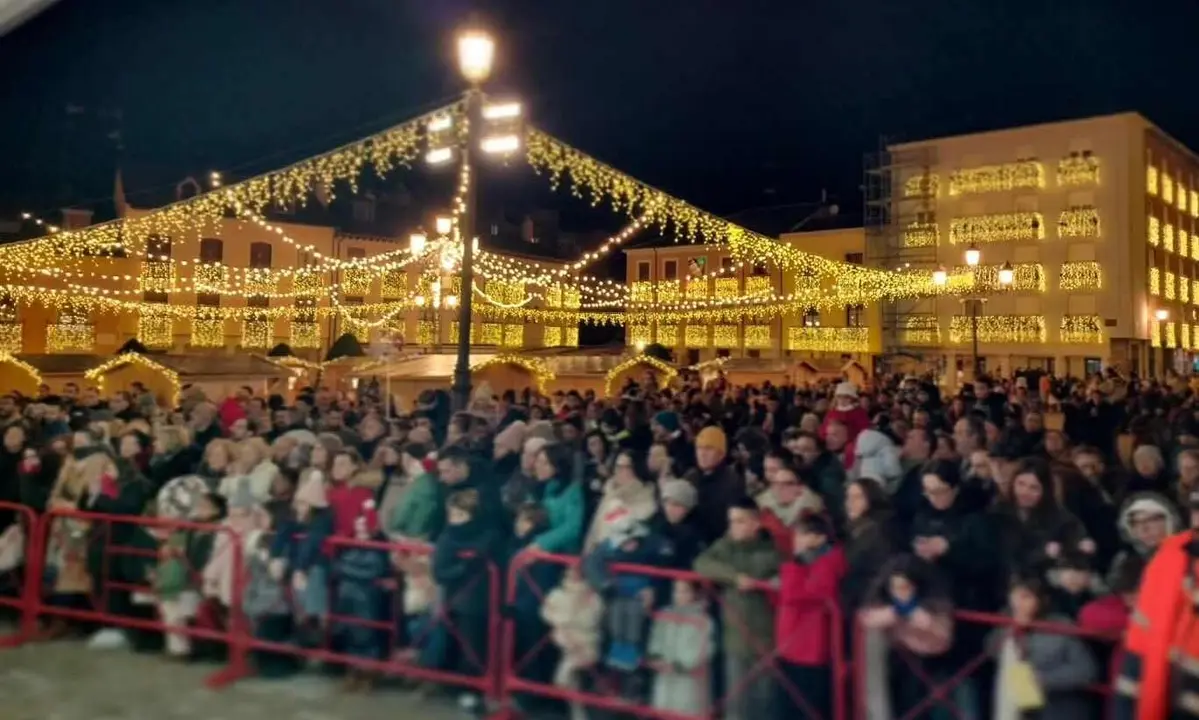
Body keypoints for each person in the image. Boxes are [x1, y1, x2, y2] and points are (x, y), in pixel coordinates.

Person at [694, 497, 780, 720]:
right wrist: (734, 577)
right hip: (735, 638)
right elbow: (702, 563)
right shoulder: (726, 545)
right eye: (731, 521)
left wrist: (755, 579)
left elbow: (775, 570)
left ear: (755, 523)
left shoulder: (771, 548)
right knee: (736, 703)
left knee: (765, 701)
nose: (734, 527)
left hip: (765, 638)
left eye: (740, 521)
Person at [775, 514, 845, 720]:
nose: (796, 539)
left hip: (811, 647)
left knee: (807, 708)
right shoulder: (809, 561)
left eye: (802, 534)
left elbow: (797, 595)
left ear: (819, 538)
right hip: (793, 643)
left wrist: (793, 567)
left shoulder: (829, 562)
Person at [432, 489, 495, 711]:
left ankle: (477, 687)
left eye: (461, 515)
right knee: (465, 647)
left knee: (478, 647)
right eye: (453, 515)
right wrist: (463, 567)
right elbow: (440, 572)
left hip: (483, 599)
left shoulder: (486, 535)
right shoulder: (447, 538)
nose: (456, 520)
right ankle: (465, 688)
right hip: (460, 600)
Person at [647, 579, 714, 717]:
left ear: (695, 594)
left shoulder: (704, 620)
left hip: (689, 681)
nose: (679, 595)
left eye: (684, 591)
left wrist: (679, 665)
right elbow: (656, 639)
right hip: (665, 677)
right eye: (676, 591)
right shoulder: (665, 614)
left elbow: (705, 650)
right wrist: (656, 657)